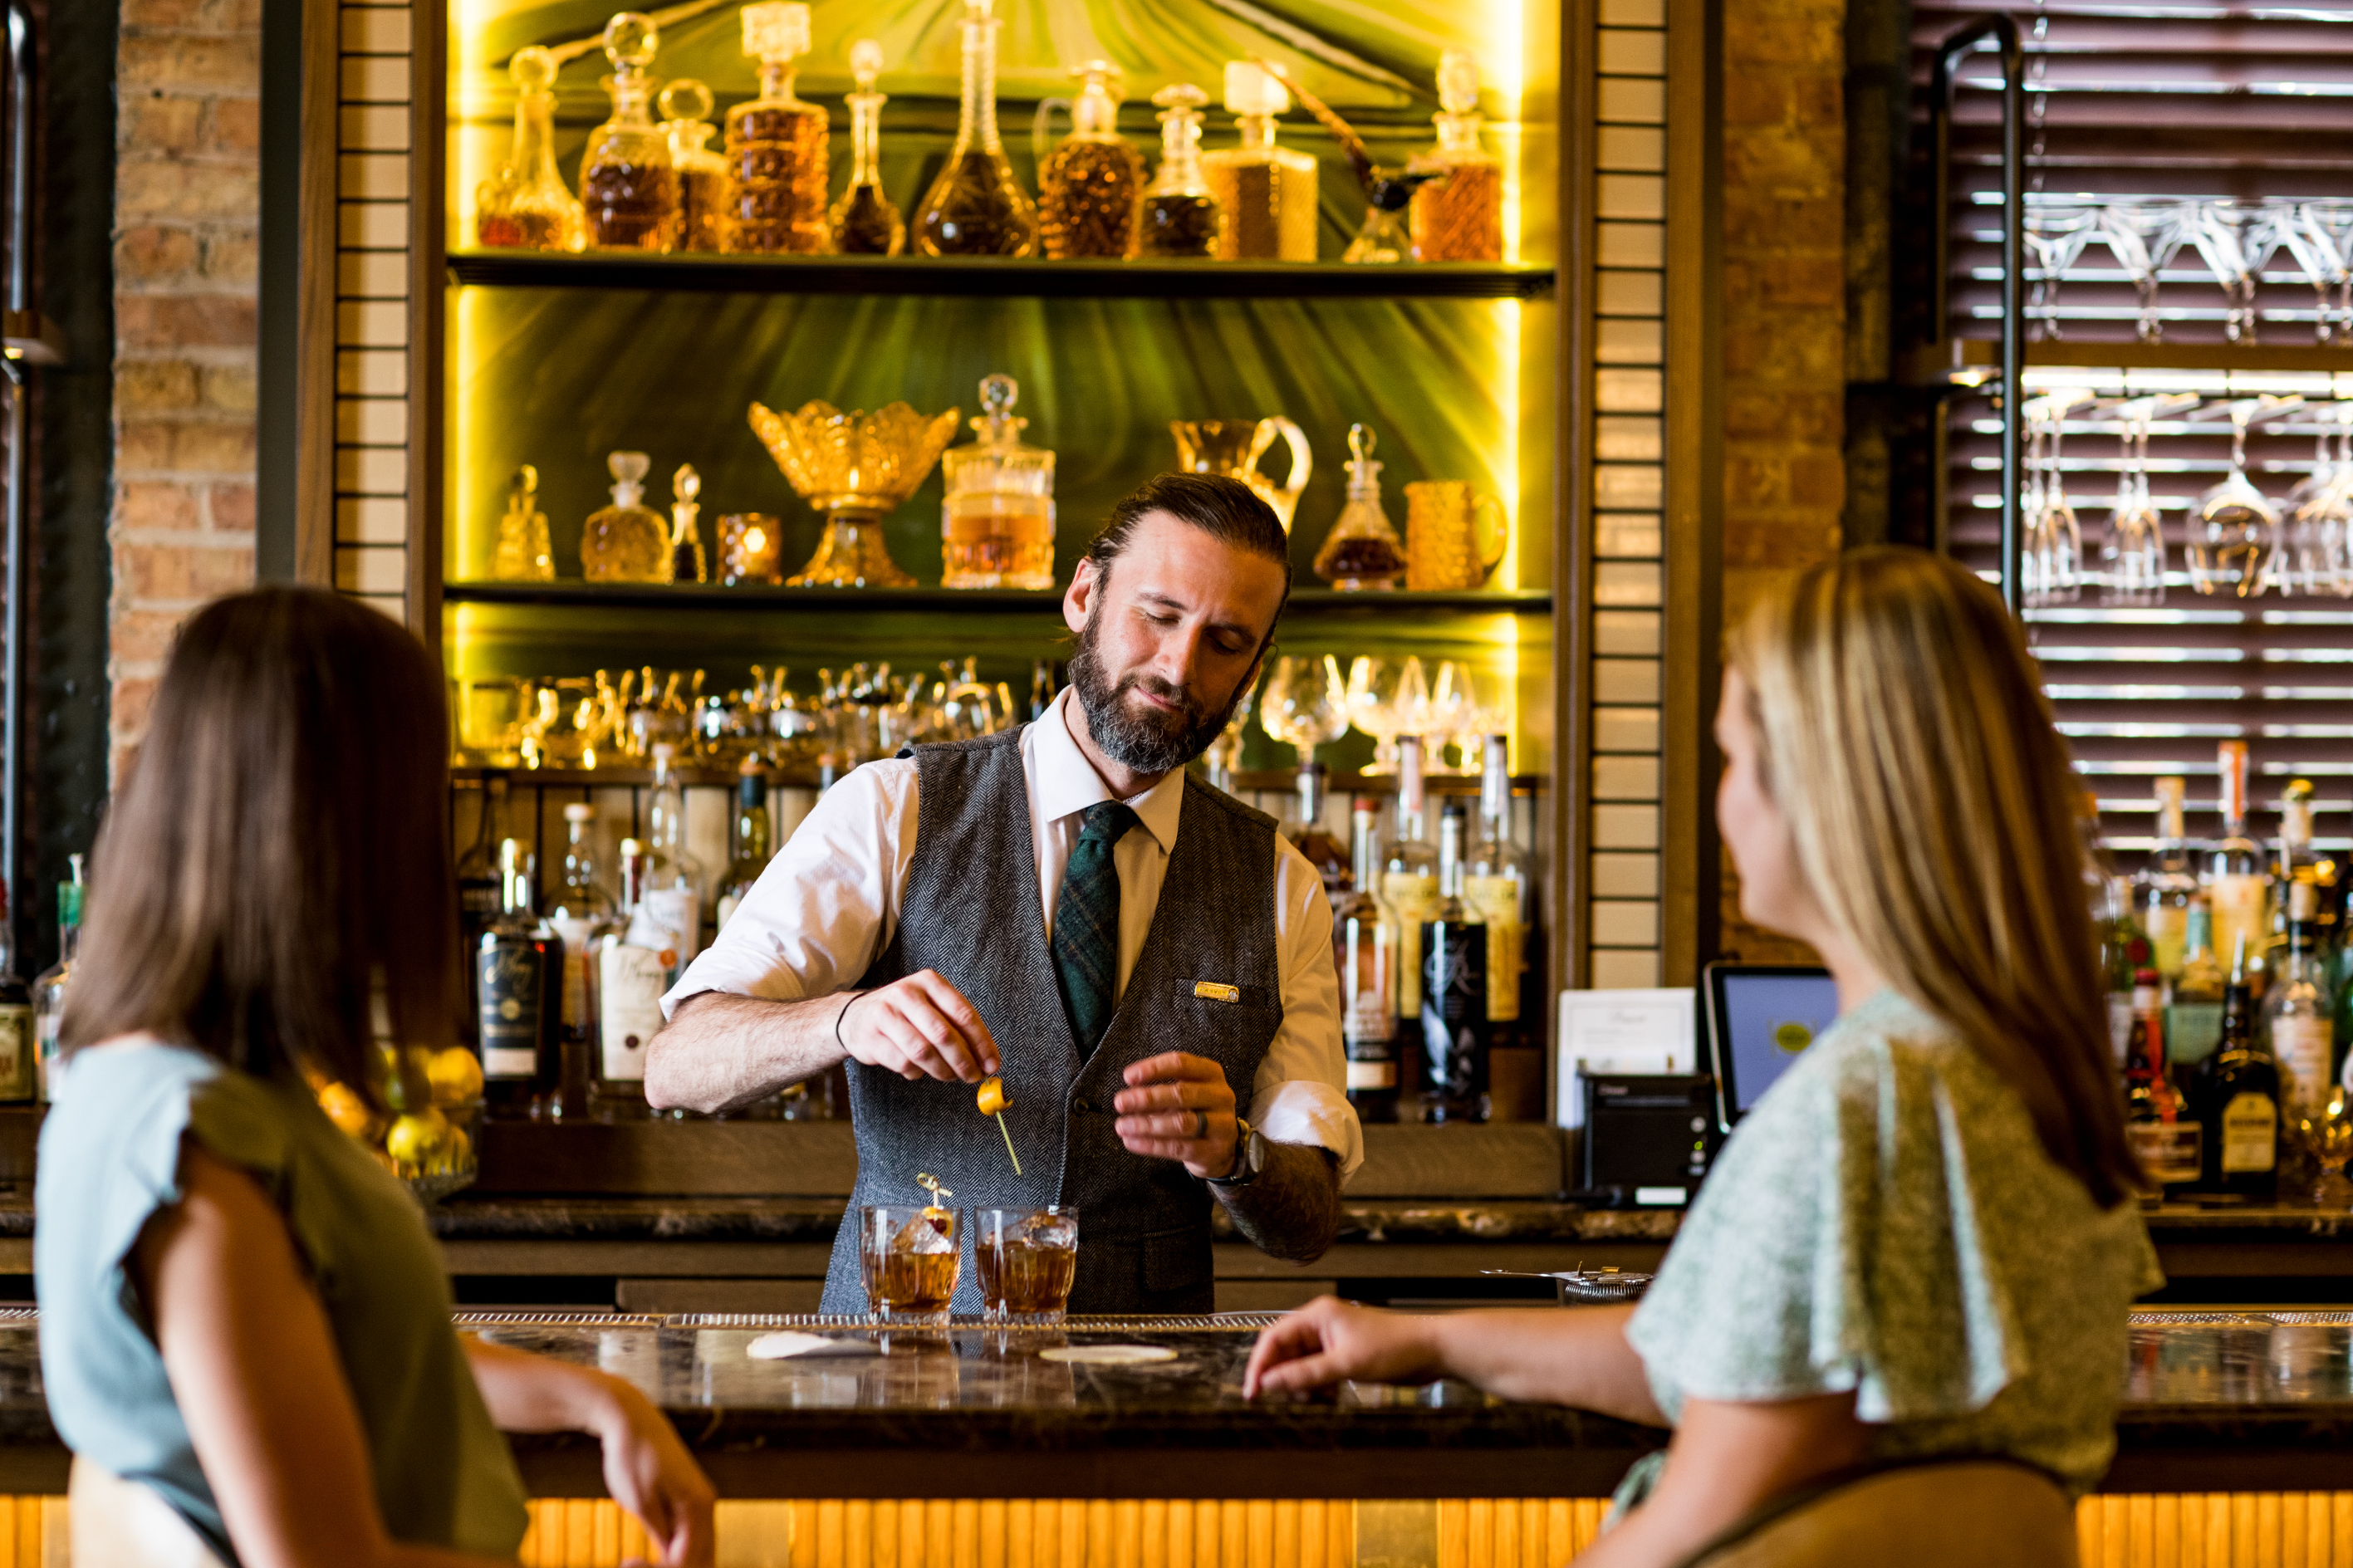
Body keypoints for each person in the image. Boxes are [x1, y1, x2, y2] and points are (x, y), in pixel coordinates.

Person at [1244, 548, 2161, 1565]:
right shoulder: (2019, 1075)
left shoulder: (1861, 1105)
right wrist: (1431, 1338)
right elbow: (1740, 1363)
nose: (1724, 803)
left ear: (1820, 787)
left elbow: (1695, 1520)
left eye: (1732, 758)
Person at [39, 587, 715, 1567]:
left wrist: (596, 1398)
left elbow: (339, 1351)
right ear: (329, 823)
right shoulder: (196, 1150)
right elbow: (324, 1559)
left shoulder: (146, 1086)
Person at [648, 473, 1362, 1314]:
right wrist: (843, 1020)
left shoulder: (1278, 882)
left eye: (1226, 641)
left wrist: (1237, 1154)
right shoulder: (895, 808)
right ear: (1084, 595)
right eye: (1158, 615)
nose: (1178, 666)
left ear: (1255, 668)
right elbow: (676, 1066)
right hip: (894, 1365)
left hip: (1149, 1379)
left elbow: (1307, 1221)